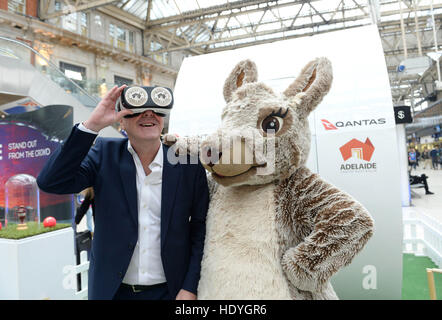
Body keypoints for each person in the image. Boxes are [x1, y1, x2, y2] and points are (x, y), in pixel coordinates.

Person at [37, 85, 209, 300]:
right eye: (137, 110)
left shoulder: (187, 163)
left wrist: (190, 286)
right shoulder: (103, 154)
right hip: (113, 291)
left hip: (171, 290)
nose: (149, 115)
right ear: (121, 120)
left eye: (156, 110)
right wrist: (91, 126)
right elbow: (51, 182)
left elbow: (200, 228)